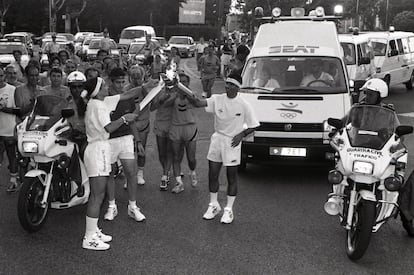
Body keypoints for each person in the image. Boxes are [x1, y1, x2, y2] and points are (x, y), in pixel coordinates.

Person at [81, 76, 155, 250]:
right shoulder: (98, 105)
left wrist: (146, 86)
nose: (107, 86)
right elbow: (109, 128)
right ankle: (89, 237)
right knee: (97, 196)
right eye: (104, 85)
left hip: (100, 149)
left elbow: (127, 94)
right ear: (97, 90)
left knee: (97, 195)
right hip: (97, 150)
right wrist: (124, 119)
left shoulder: (99, 102)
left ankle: (94, 230)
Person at [198, 73, 259, 224]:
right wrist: (180, 88)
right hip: (217, 139)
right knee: (212, 174)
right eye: (227, 84)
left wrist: (241, 135)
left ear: (238, 87)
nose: (228, 87)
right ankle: (213, 205)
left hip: (232, 142)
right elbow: (197, 103)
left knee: (231, 176)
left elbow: (254, 125)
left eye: (231, 84)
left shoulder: (244, 104)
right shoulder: (217, 99)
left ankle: (228, 210)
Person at [103, 68, 146, 222]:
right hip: (108, 139)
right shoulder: (104, 97)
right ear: (110, 81)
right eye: (117, 82)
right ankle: (111, 206)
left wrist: (138, 140)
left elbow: (131, 119)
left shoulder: (128, 97)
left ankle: (133, 207)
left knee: (131, 171)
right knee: (110, 172)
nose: (121, 85)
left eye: (123, 82)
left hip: (126, 137)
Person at [162, 73, 202, 193]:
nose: (183, 83)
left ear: (188, 83)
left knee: (191, 158)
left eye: (185, 81)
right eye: (181, 82)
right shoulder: (174, 94)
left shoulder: (192, 93)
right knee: (176, 156)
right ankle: (179, 183)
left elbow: (197, 103)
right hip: (176, 127)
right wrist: (175, 94)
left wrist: (186, 94)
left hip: (190, 128)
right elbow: (165, 104)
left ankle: (192, 171)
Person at [125, 65, 149, 185]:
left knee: (141, 149)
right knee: (128, 152)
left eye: (138, 76)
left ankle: (140, 173)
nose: (136, 79)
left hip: (143, 123)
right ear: (129, 78)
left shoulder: (146, 89)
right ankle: (128, 176)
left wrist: (145, 91)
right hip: (129, 124)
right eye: (133, 77)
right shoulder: (126, 89)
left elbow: (154, 104)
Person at [150, 84, 173, 191]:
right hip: (160, 123)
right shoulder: (158, 91)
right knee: (161, 152)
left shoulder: (179, 91)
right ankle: (166, 170)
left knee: (169, 151)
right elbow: (152, 108)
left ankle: (165, 174)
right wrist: (161, 100)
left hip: (173, 123)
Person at [0, 68, 19, 192]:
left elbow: (18, 110)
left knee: (11, 155)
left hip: (9, 129)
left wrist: (3, 109)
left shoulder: (12, 90)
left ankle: (13, 180)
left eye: (0, 75)